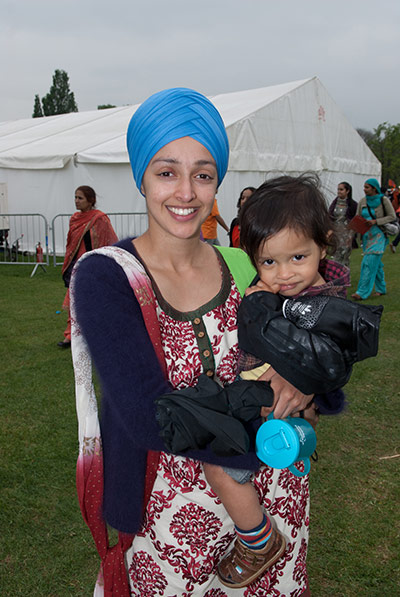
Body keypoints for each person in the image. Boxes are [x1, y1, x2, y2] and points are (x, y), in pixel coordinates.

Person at [71, 88, 314, 596]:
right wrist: (278, 392)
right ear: (141, 175)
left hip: (276, 497)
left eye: (203, 174)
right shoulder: (108, 276)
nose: (185, 192)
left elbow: (321, 365)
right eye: (167, 172)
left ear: (217, 182)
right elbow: (149, 414)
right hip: (169, 514)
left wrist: (307, 378)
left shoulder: (246, 264)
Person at [200, 174, 382, 588]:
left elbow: (334, 360)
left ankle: (258, 541)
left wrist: (300, 382)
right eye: (268, 262)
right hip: (268, 401)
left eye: (297, 258)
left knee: (217, 463)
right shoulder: (270, 292)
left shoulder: (326, 304)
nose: (283, 274)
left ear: (323, 244)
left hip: (271, 400)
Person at [58, 186, 118, 348]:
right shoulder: (75, 219)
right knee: (74, 301)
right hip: (76, 266)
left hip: (94, 266)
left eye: (80, 198)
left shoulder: (100, 219)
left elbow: (109, 241)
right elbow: (71, 244)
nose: (76, 201)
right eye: (75, 197)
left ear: (90, 200)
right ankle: (70, 336)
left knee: (95, 301)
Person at [351, 178, 396, 300]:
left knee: (368, 263)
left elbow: (392, 216)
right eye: (364, 187)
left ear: (374, 188)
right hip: (366, 237)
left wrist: (376, 221)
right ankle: (381, 289)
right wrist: (355, 234)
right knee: (377, 264)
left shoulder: (383, 200)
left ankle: (362, 292)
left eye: (367, 187)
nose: (364, 189)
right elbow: (358, 217)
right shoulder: (362, 201)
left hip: (379, 235)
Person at [328, 181, 358, 266]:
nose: (339, 192)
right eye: (338, 189)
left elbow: (355, 221)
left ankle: (344, 276)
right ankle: (337, 276)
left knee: (345, 256)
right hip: (336, 233)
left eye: (341, 189)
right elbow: (330, 217)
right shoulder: (334, 204)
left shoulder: (353, 205)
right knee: (335, 255)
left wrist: (351, 235)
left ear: (347, 191)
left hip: (347, 234)